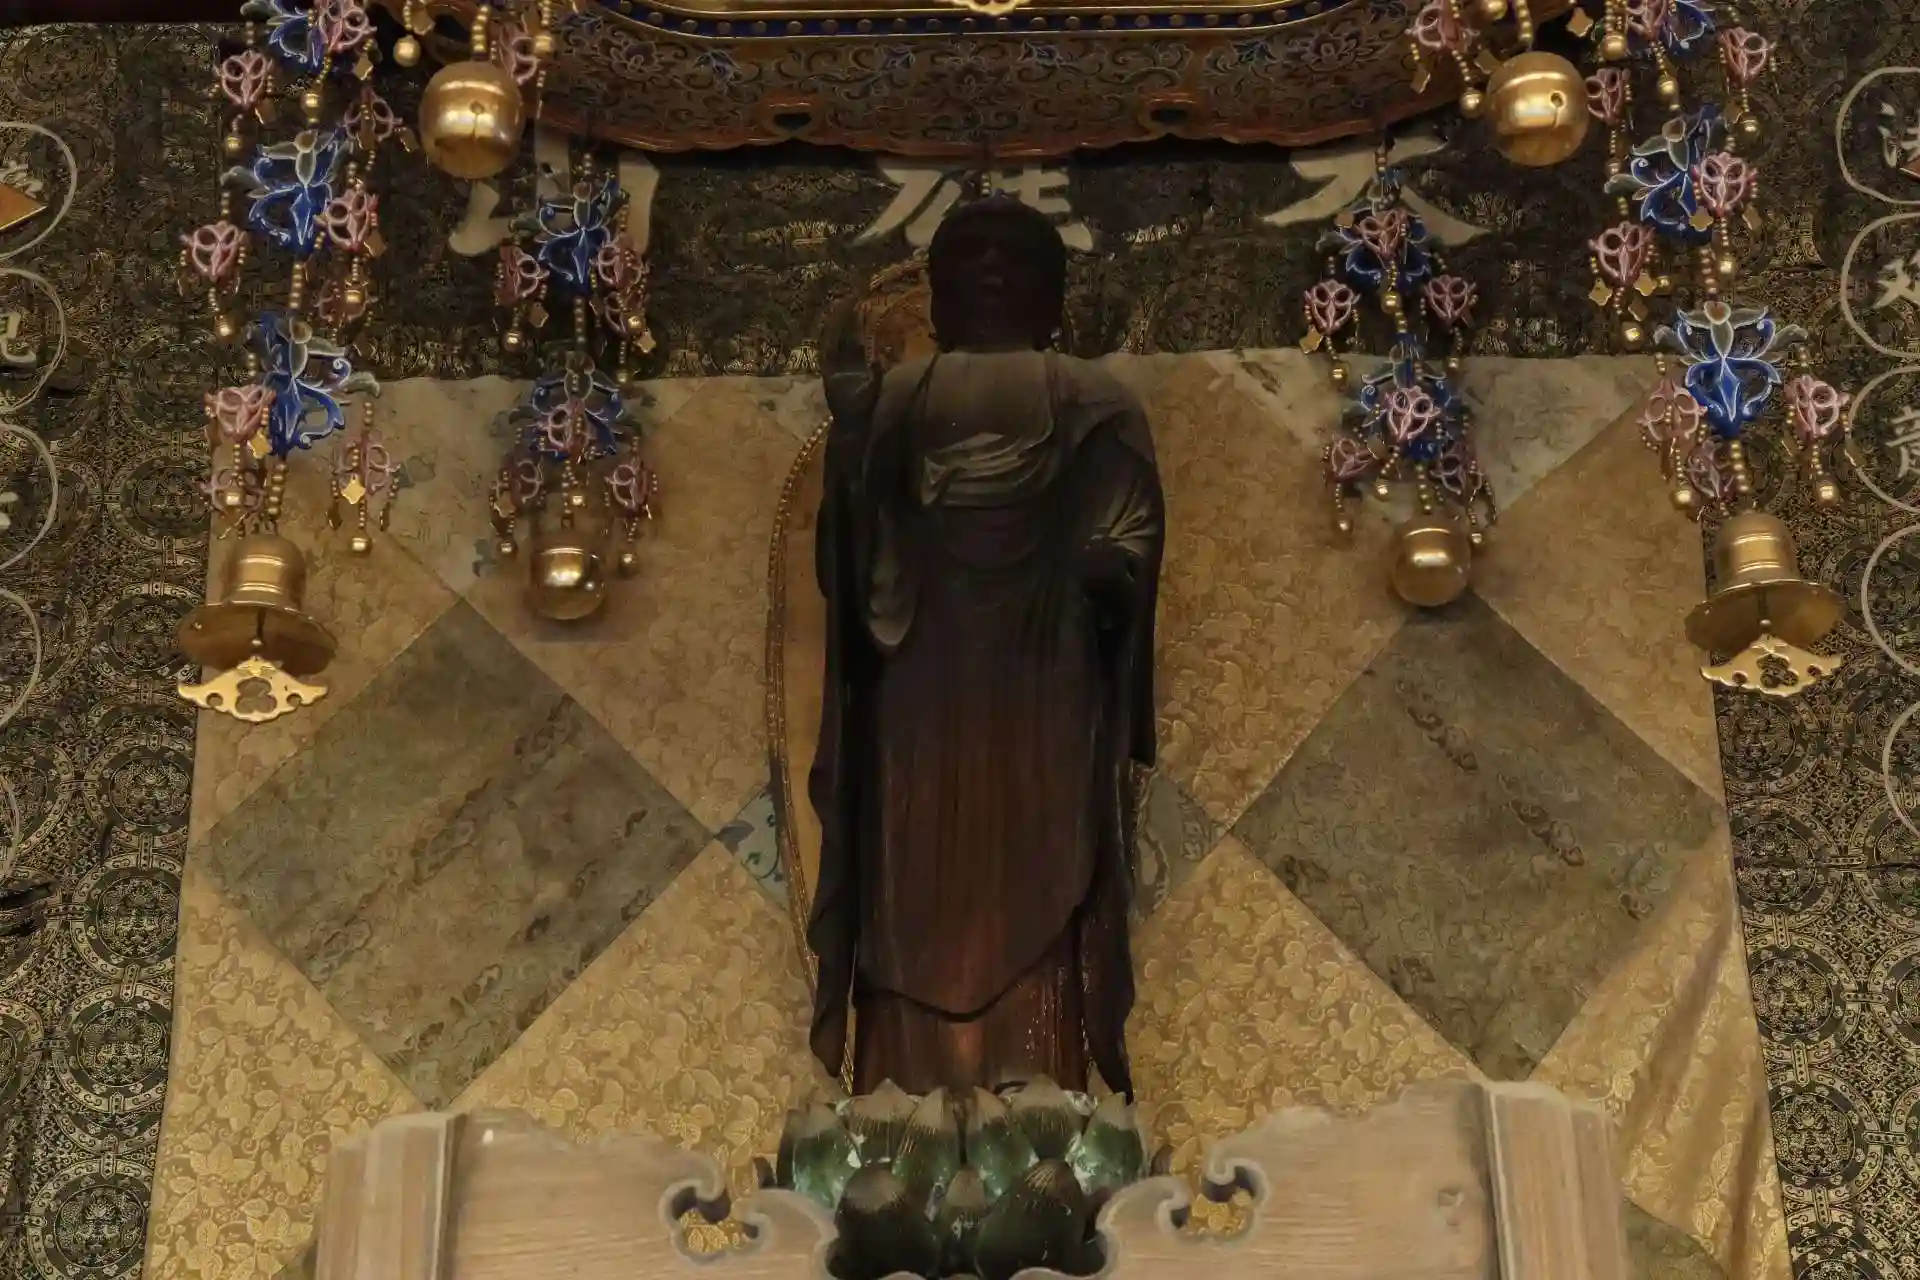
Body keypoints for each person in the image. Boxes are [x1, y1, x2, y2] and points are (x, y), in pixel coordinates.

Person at [806, 195, 1164, 1097]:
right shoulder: (896, 399)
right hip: (917, 683)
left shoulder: (1096, 400)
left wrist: (1104, 571)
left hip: (1044, 678)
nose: (993, 278)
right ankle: (899, 1091)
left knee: (1046, 869)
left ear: (1053, 297)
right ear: (937, 297)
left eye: (1016, 265)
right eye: (971, 266)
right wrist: (852, 447)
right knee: (905, 879)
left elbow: (1128, 532)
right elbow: (852, 557)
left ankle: (1038, 1086)